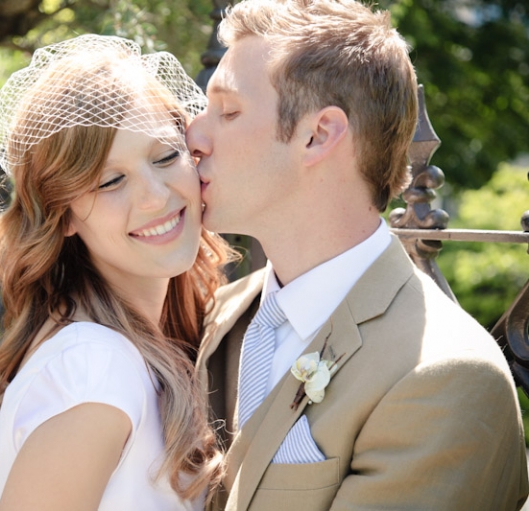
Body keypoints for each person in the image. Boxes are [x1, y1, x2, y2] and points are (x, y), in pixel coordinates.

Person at [185, 0, 529, 510]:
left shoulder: (446, 378)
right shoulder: (219, 313)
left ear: (319, 134)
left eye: (228, 111)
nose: (192, 136)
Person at [0, 35, 234, 509]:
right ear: (63, 215)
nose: (156, 196)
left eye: (164, 156)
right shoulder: (95, 370)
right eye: (111, 181)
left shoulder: (149, 345)